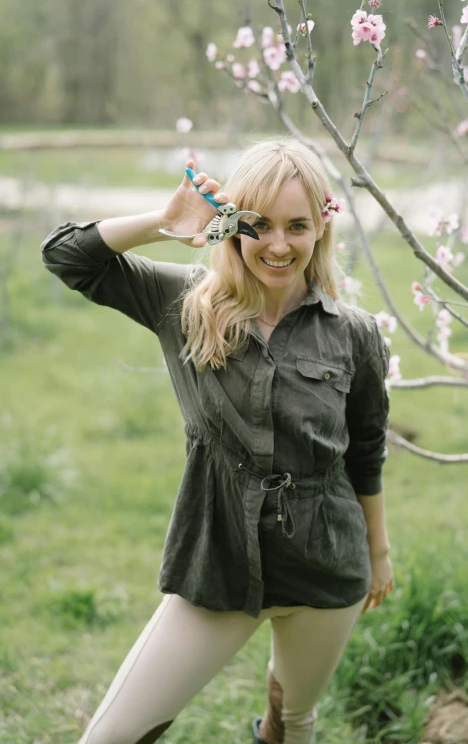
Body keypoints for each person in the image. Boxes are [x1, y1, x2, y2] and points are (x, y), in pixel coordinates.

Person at [40, 137, 394, 744]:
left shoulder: (354, 334)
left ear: (322, 227)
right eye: (259, 224)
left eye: (297, 226)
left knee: (294, 723)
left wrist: (379, 553)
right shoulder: (184, 301)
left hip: (328, 567)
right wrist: (163, 223)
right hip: (219, 567)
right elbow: (68, 258)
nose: (278, 245)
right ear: (232, 224)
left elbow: (365, 449)